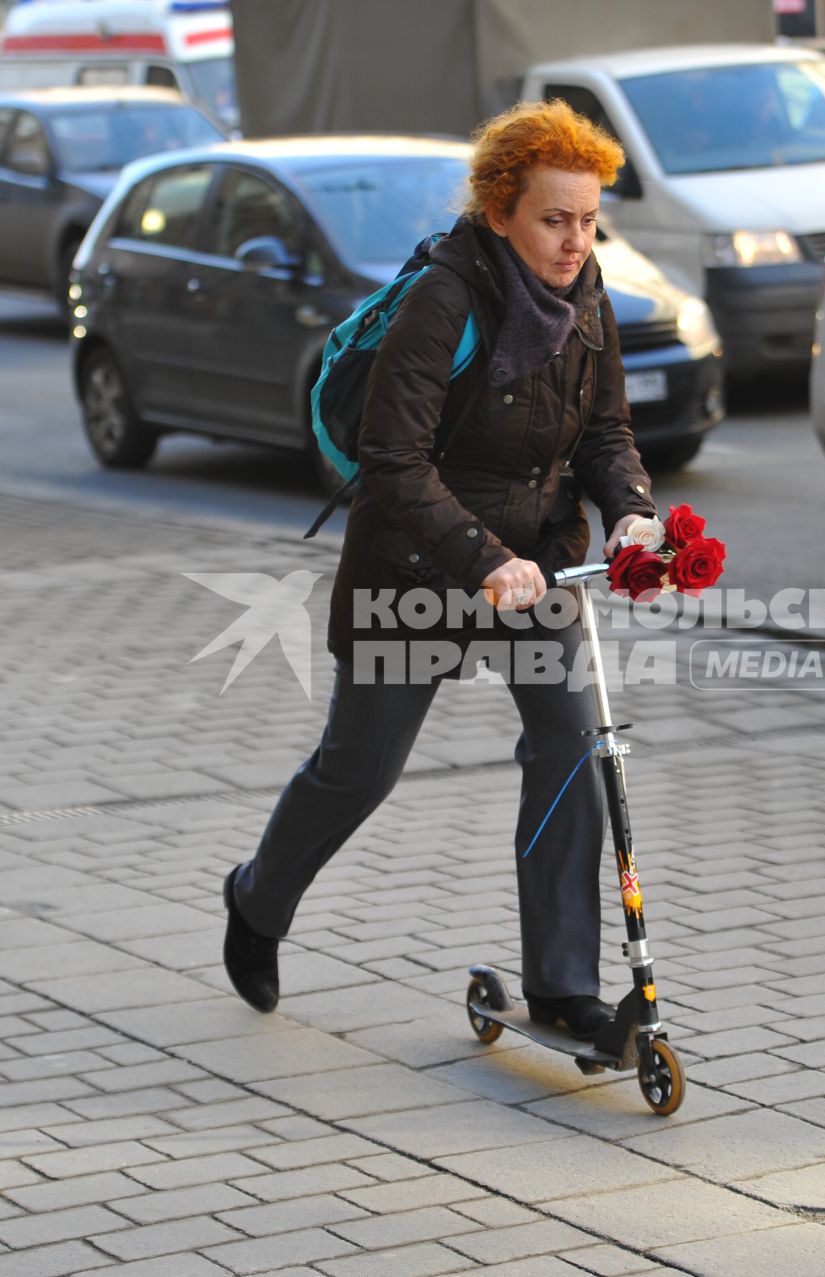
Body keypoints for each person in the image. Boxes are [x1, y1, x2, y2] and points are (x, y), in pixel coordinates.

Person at [220, 101, 658, 1041]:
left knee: (574, 755)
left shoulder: (588, 299)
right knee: (360, 771)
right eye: (554, 218)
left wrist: (630, 513)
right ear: (501, 212)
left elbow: (607, 434)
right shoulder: (445, 298)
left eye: (587, 219)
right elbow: (391, 456)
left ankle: (562, 987)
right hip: (414, 562)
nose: (575, 240)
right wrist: (481, 558)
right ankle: (257, 903)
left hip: (536, 565)